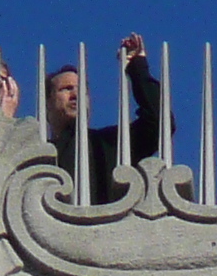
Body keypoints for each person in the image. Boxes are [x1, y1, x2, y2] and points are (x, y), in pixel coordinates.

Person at [43, 35, 166, 204]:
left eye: (82, 90)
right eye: (66, 89)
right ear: (47, 103)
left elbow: (159, 123)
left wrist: (136, 66)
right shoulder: (39, 153)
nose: (75, 95)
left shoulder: (109, 144)